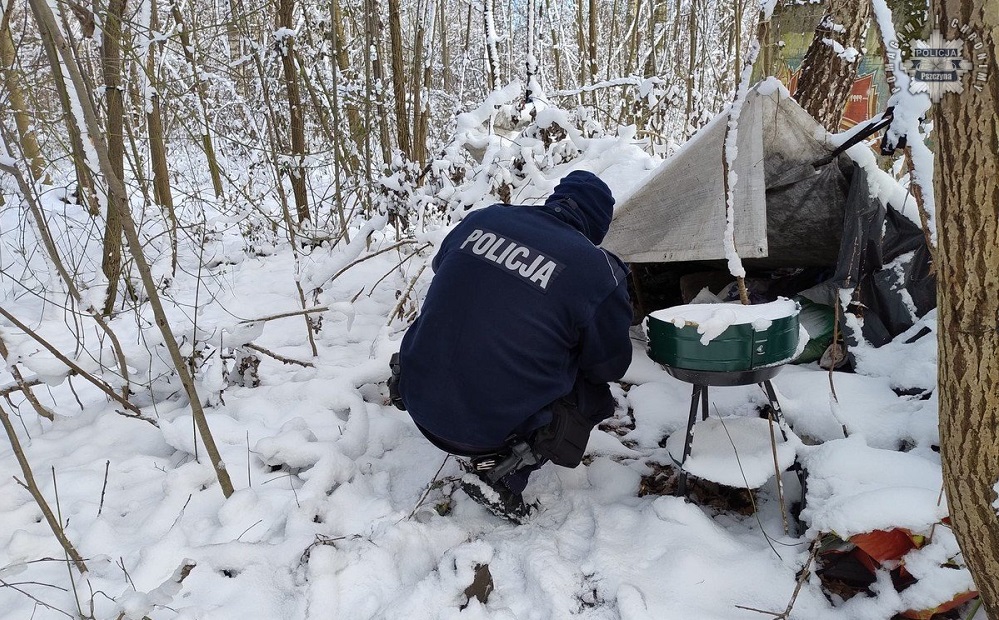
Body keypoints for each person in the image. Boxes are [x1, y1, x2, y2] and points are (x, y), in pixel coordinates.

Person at [389, 170, 633, 523]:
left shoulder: (486, 218)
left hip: (416, 397)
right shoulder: (596, 270)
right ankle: (504, 471)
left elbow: (443, 265)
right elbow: (609, 365)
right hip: (476, 433)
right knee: (592, 395)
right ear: (599, 224)